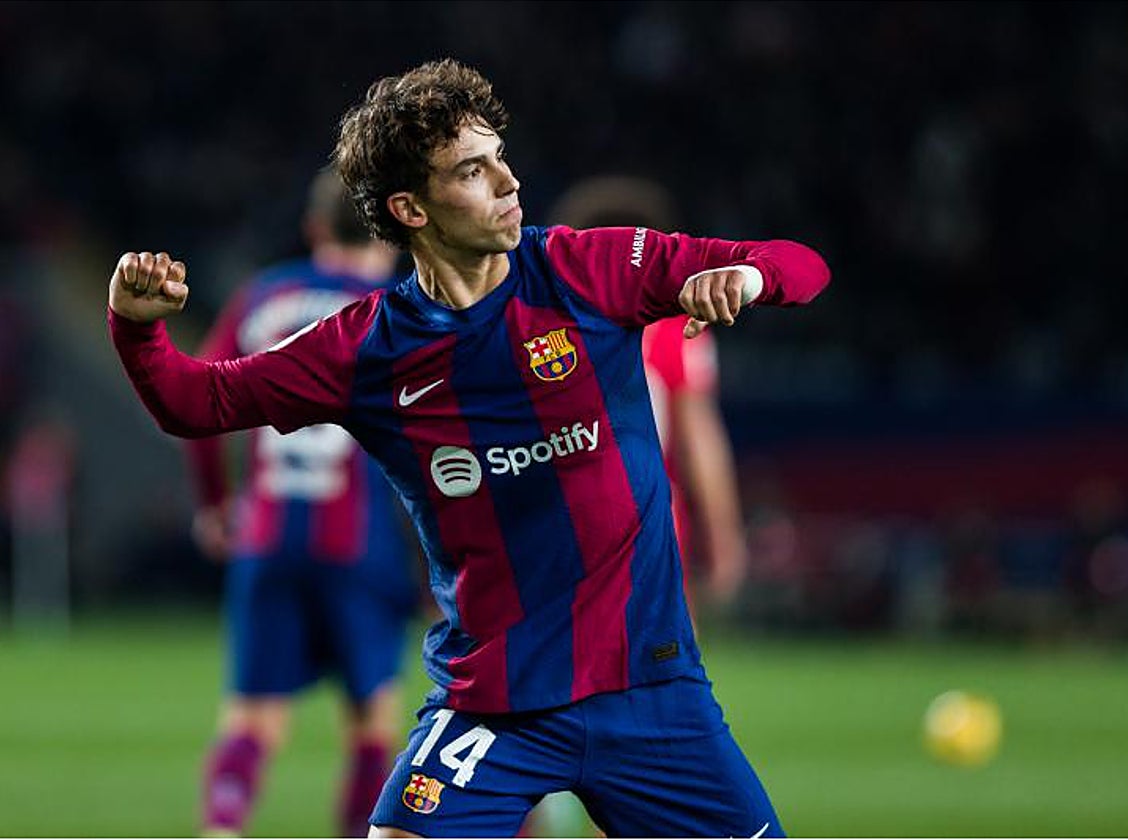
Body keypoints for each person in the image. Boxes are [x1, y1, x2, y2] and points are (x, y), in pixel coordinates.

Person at [106, 59, 829, 837]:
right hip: (494, 707)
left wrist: (746, 281)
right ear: (410, 207)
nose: (509, 181)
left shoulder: (587, 268)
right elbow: (197, 401)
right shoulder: (364, 349)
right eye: (474, 170)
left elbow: (802, 264)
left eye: (500, 156)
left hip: (652, 693)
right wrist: (135, 324)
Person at [185, 169, 420, 837]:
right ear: (396, 231)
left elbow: (200, 404)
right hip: (359, 542)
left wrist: (214, 505)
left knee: (254, 716)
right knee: (372, 723)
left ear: (315, 228)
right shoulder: (395, 306)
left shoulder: (265, 294)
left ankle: (222, 829)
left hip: (266, 533)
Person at [550, 176, 750, 619]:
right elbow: (698, 432)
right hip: (645, 518)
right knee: (670, 674)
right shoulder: (674, 324)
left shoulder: (539, 322)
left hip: (559, 519)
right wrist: (724, 532)